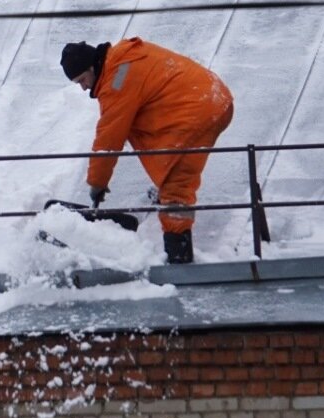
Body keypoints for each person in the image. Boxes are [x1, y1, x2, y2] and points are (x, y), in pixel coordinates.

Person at [60, 38, 234, 264]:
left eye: (82, 79)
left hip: (197, 110)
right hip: (210, 97)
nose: (83, 87)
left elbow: (109, 136)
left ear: (93, 67)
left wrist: (97, 183)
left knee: (176, 185)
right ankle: (172, 220)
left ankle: (179, 254)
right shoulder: (122, 59)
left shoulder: (117, 80)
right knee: (158, 147)